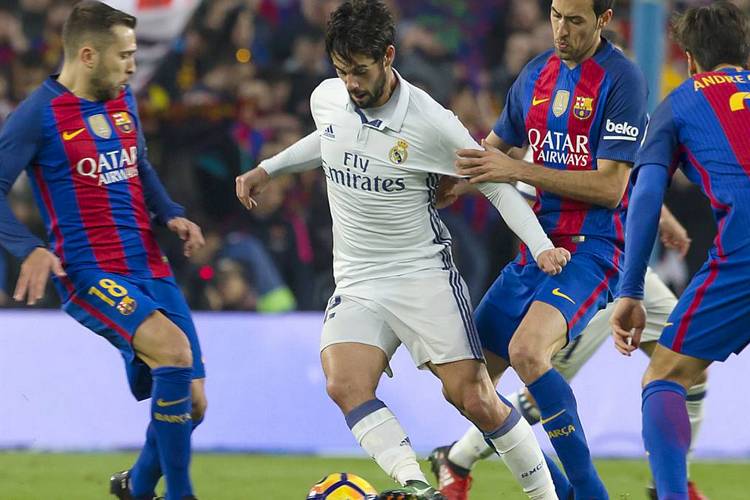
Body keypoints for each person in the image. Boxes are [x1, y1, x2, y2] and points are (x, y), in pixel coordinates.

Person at [236, 2, 572, 499]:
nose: (351, 82)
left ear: (388, 56)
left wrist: (541, 246)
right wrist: (269, 168)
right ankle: (417, 488)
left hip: (421, 277)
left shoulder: (430, 122)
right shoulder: (327, 97)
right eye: (342, 70)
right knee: (345, 384)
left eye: (361, 70)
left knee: (474, 397)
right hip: (358, 281)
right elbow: (328, 139)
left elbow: (496, 184)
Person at [429, 0, 649, 498]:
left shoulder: (622, 80)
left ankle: (590, 492)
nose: (561, 29)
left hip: (594, 247)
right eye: (555, 15)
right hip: (536, 247)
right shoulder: (535, 74)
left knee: (528, 352)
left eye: (575, 19)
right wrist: (453, 184)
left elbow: (611, 187)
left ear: (604, 20)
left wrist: (518, 170)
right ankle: (560, 488)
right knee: (465, 387)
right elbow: (493, 150)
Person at [0, 2, 206, 499]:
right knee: (174, 353)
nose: (132, 66)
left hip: (150, 265)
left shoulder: (121, 97)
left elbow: (139, 164)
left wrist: (169, 211)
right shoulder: (37, 115)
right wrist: (29, 248)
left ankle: (136, 485)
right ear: (88, 55)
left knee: (194, 403)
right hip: (91, 272)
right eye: (125, 56)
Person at [430, 197, 710, 500]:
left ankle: (673, 479)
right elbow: (530, 193)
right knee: (538, 381)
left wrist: (659, 212)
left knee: (688, 365)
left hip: (630, 263)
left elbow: (629, 178)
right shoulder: (542, 165)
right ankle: (460, 458)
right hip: (576, 263)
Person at [611, 2, 750, 498]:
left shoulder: (680, 102)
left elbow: (646, 195)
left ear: (689, 59)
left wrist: (630, 290)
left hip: (744, 251)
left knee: (664, 377)